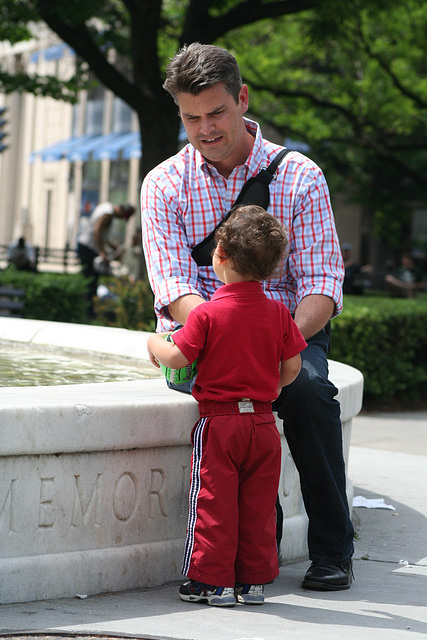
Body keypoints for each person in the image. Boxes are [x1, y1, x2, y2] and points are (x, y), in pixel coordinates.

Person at [141, 43, 355, 591]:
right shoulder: (163, 184)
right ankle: (253, 560)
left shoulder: (299, 177)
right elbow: (173, 286)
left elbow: (321, 286)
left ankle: (333, 549)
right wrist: (224, 335)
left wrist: (272, 341)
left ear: (242, 99)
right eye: (192, 117)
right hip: (205, 336)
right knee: (232, 422)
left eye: (217, 113)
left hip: (287, 332)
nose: (205, 128)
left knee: (308, 394)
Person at [147, 205, 307, 606]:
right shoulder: (278, 313)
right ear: (271, 269)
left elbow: (178, 358)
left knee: (213, 503)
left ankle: (211, 582)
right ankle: (252, 583)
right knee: (258, 506)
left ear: (219, 256)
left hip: (220, 424)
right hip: (264, 425)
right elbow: (292, 368)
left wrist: (153, 344)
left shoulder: (208, 313)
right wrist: (266, 386)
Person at [76, 202, 135, 316]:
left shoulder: (106, 206)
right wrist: (102, 252)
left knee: (90, 279)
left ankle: (88, 310)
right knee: (91, 281)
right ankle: (88, 312)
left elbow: (101, 234)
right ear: (122, 212)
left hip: (85, 244)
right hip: (89, 247)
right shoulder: (108, 215)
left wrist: (112, 246)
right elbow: (97, 231)